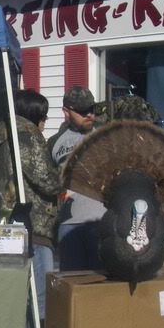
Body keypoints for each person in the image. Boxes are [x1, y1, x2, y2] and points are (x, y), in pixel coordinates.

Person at [13, 89, 61, 328]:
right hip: (35, 229)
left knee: (21, 303)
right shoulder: (28, 136)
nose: (45, 122)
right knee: (38, 305)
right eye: (42, 116)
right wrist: (65, 173)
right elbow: (47, 180)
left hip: (14, 225)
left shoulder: (4, 131)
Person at [48, 86, 106, 271]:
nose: (89, 114)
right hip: (69, 226)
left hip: (102, 222)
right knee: (72, 287)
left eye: (92, 109)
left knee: (103, 286)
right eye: (82, 111)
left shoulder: (108, 135)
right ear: (66, 111)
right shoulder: (54, 142)